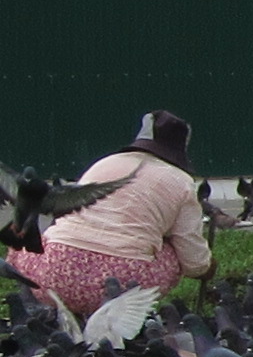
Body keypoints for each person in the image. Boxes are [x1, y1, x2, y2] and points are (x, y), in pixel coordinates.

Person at [6, 110, 215, 316]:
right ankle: (118, 321)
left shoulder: (105, 162)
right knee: (174, 250)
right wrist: (207, 267)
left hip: (51, 278)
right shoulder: (182, 182)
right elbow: (194, 262)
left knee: (24, 234)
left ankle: (43, 308)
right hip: (121, 290)